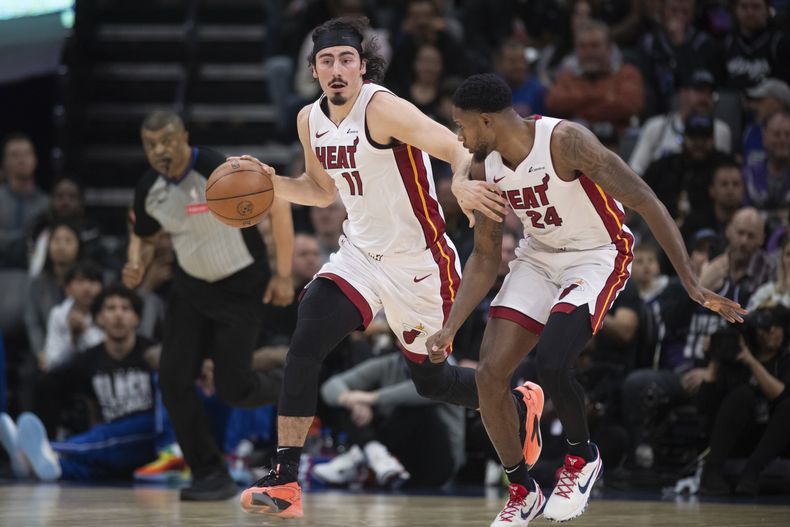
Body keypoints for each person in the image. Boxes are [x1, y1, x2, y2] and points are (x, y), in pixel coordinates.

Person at [233, 17, 540, 520]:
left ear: (361, 67)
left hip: (418, 262)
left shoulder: (382, 107)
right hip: (357, 255)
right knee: (306, 339)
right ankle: (286, 479)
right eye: (326, 61)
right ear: (313, 70)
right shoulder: (309, 120)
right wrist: (271, 184)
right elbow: (321, 190)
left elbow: (456, 146)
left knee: (432, 382)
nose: (337, 69)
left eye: (346, 60)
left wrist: (461, 181)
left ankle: (517, 402)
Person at [427, 74, 746, 526]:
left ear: (486, 120)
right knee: (489, 376)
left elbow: (646, 199)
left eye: (461, 126)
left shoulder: (566, 141)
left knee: (554, 362)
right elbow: (483, 256)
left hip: (596, 255)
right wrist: (451, 325)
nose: (459, 137)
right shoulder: (484, 167)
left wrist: (691, 282)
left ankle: (582, 458)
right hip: (538, 258)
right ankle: (523, 488)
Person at [121, 110, 295, 501]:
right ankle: (209, 474)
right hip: (190, 290)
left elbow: (279, 203)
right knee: (172, 378)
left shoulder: (219, 169)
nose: (159, 150)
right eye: (150, 145)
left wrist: (283, 274)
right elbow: (144, 233)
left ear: (184, 136)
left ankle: (293, 389)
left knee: (234, 387)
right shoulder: (149, 187)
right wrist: (137, 261)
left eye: (167, 140)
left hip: (241, 286)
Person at [0, 286, 171, 482]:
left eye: (126, 308)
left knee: (106, 435)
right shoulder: (88, 359)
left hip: (151, 435)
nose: (118, 315)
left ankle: (46, 449)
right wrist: (73, 340)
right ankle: (31, 464)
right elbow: (51, 376)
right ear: (98, 319)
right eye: (111, 308)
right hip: (114, 447)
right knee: (88, 468)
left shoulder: (152, 353)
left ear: (137, 318)